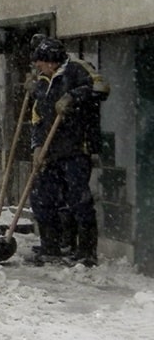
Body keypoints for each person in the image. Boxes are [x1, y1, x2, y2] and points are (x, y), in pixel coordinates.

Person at [27, 36, 110, 266]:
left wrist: (73, 96)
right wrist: (36, 146)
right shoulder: (42, 80)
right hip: (49, 151)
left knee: (78, 199)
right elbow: (36, 117)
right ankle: (50, 246)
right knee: (42, 198)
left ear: (52, 61)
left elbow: (102, 87)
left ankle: (85, 252)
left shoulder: (77, 69)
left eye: (40, 62)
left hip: (76, 147)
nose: (37, 66)